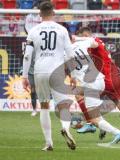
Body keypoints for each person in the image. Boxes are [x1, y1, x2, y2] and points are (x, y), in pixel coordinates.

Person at [22, 1, 76, 151]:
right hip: (57, 70)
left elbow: (27, 56)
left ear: (39, 14)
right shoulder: (62, 30)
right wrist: (73, 75)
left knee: (44, 106)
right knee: (64, 105)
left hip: (40, 71)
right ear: (54, 13)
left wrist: (24, 76)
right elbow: (70, 54)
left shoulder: (33, 30)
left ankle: (48, 143)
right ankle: (66, 128)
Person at [70, 37, 120, 144]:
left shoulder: (63, 52)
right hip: (100, 79)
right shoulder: (81, 44)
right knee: (78, 94)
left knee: (94, 118)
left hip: (91, 84)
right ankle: (95, 124)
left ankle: (117, 132)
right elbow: (95, 44)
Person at [24, 2, 42, 117]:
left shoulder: (41, 45)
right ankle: (34, 109)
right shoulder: (29, 17)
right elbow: (26, 57)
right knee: (33, 90)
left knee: (43, 90)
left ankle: (45, 107)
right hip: (31, 70)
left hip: (40, 69)